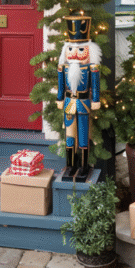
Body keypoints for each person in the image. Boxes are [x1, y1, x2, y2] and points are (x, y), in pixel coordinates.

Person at [57, 15, 101, 181]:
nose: (75, 54)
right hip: (69, 103)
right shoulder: (63, 67)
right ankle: (70, 166)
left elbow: (95, 86)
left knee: (83, 136)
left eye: (81, 50)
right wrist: (60, 98)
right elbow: (61, 85)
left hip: (83, 103)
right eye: (71, 50)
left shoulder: (92, 68)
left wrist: (96, 99)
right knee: (69, 136)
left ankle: (83, 166)